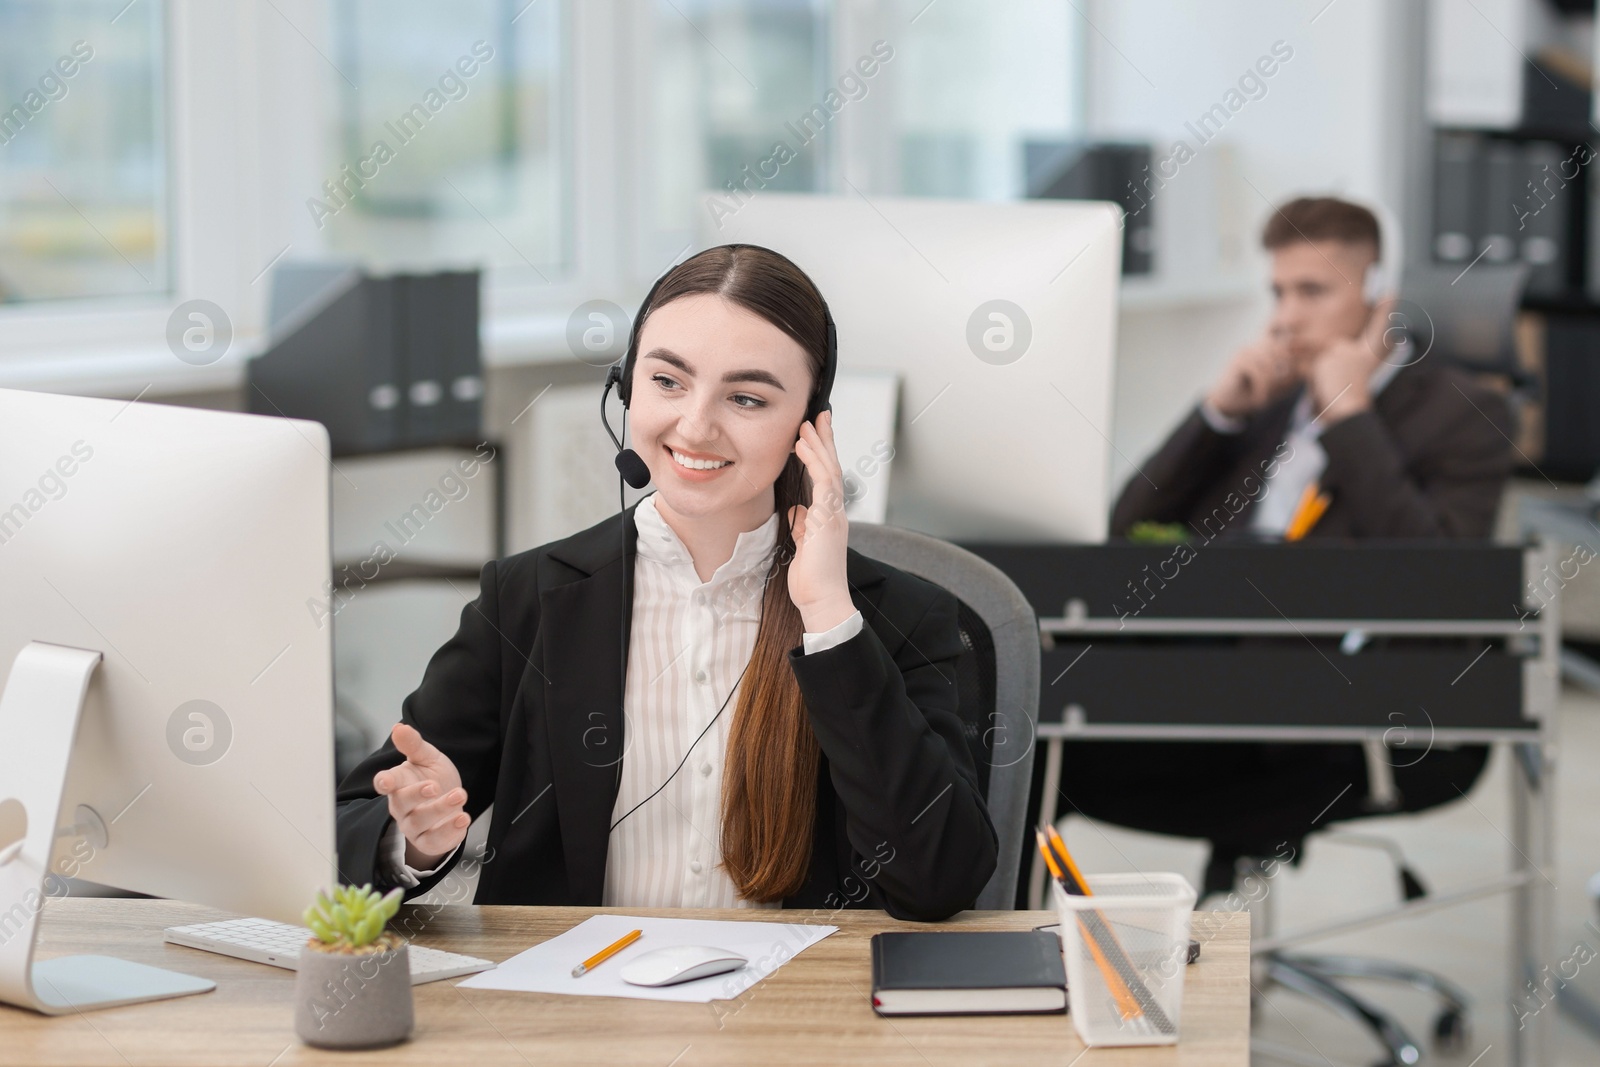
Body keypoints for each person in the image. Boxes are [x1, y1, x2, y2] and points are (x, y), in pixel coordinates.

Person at [335, 244, 997, 921]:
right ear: (626, 388)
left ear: (810, 424)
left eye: (746, 397)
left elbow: (941, 878)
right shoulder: (528, 600)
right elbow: (352, 822)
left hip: (797, 1014)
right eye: (667, 382)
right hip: (574, 1007)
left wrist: (828, 616)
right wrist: (412, 838)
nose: (695, 425)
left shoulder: (894, 618)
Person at [1068, 197, 1514, 896]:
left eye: (1313, 291)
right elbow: (1128, 527)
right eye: (1278, 291)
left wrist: (1348, 415)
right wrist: (1217, 413)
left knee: (1044, 746)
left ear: (1378, 296)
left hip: (1342, 710)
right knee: (1030, 719)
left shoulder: (1461, 414)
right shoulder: (1272, 401)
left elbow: (1437, 577)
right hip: (1212, 670)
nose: (1285, 317)